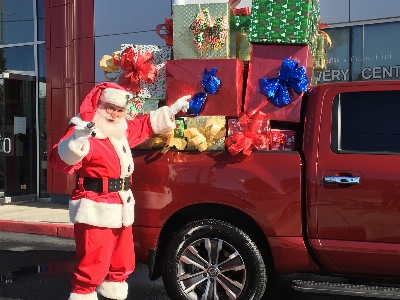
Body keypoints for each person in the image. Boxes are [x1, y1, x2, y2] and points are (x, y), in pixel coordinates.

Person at [49, 82, 191, 300]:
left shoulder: (119, 131)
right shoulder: (84, 128)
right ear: (99, 104)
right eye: (110, 108)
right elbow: (59, 161)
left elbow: (143, 125)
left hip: (121, 203)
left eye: (120, 110)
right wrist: (76, 140)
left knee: (121, 259)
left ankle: (113, 293)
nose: (115, 114)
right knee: (93, 260)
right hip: (95, 204)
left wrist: (170, 111)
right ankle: (82, 294)